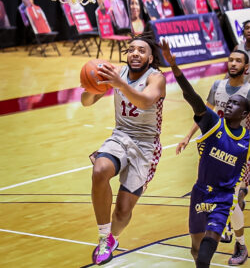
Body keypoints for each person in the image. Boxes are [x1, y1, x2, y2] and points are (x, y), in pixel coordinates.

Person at [160, 39, 250, 268]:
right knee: (195, 250)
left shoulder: (247, 139)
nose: (229, 105)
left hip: (223, 197)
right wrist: (174, 66)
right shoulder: (213, 121)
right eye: (230, 59)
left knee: (204, 257)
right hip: (200, 192)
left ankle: (240, 243)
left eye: (235, 104)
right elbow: (194, 98)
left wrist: (243, 186)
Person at [81, 35, 166, 265]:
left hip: (146, 145)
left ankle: (113, 237)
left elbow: (145, 101)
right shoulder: (116, 73)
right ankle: (102, 238)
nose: (135, 53)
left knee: (122, 212)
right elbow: (86, 102)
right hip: (120, 136)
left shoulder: (157, 78)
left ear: (150, 57)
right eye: (131, 50)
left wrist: (119, 85)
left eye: (141, 50)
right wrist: (92, 86)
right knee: (100, 170)